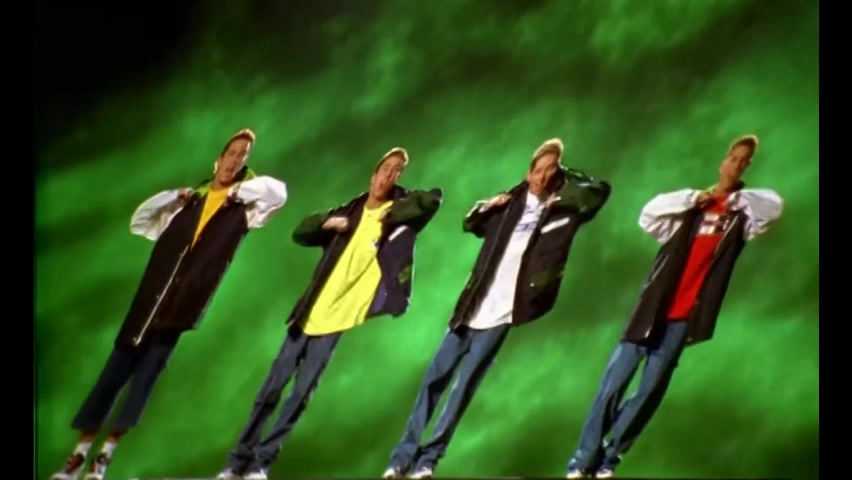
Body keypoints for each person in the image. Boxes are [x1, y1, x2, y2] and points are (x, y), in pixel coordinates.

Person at [49, 129, 289, 480]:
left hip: (179, 310)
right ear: (218, 160)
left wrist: (240, 190)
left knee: (142, 384)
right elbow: (140, 222)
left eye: (243, 156)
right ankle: (78, 456)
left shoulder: (244, 210)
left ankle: (103, 458)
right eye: (232, 152)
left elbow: (278, 192)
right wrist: (173, 196)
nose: (236, 159)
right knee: (111, 377)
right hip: (147, 305)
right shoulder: (187, 205)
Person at [383, 138, 612, 480]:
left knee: (462, 390)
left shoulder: (562, 210)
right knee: (433, 382)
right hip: (470, 309)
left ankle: (428, 460)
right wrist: (488, 205)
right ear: (529, 173)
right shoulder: (508, 205)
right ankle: (401, 459)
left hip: (502, 314)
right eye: (539, 169)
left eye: (552, 170)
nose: (544, 176)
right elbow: (470, 224)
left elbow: (599, 191)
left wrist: (566, 180)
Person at [564, 134, 783, 479]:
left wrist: (734, 198)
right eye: (733, 158)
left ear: (747, 167)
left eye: (744, 161)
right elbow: (648, 214)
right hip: (650, 310)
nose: (736, 165)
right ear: (722, 161)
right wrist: (695, 197)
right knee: (612, 387)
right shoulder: (686, 211)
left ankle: (609, 458)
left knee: (649, 392)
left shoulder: (742, 219)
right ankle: (582, 461)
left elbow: (774, 205)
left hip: (683, 319)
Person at [217, 147, 443, 480]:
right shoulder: (349, 211)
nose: (389, 176)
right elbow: (301, 232)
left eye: (397, 171)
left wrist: (396, 207)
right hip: (307, 315)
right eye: (386, 169)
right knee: (269, 392)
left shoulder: (397, 216)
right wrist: (327, 223)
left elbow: (432, 199)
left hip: (335, 321)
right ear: (373, 175)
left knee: (299, 397)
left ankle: (261, 464)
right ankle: (237, 462)